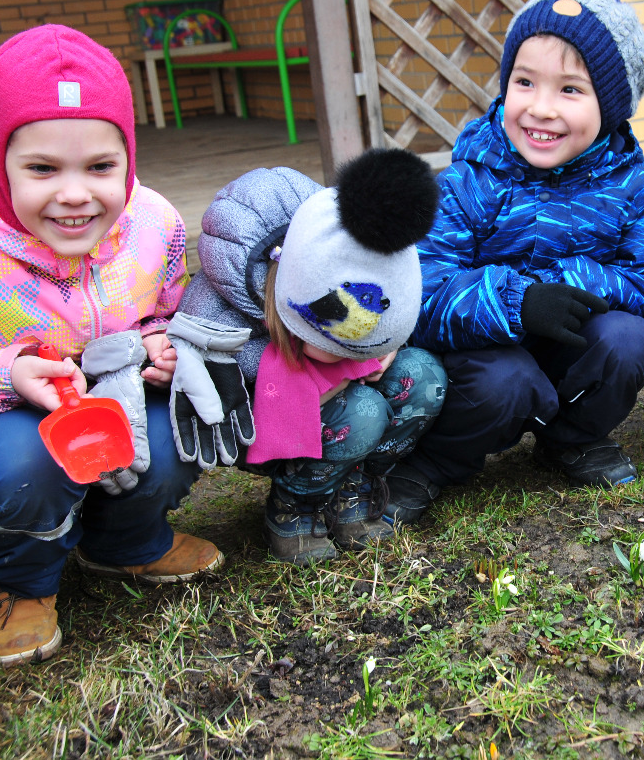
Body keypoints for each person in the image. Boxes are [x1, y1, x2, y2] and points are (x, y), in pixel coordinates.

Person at [0, 25, 221, 667]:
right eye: (42, 169)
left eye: (101, 167)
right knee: (27, 462)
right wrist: (6, 376)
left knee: (182, 423)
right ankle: (18, 580)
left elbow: (163, 315)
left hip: (111, 411)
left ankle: (125, 542)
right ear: (0, 163)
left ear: (129, 159)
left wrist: (156, 350)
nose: (76, 194)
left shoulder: (155, 225)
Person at [380, 0, 644, 505]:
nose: (541, 108)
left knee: (627, 342)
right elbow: (424, 291)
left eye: (570, 90)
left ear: (611, 107)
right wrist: (519, 301)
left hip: (575, 342)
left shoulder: (636, 184)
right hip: (489, 354)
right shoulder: (469, 180)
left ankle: (574, 440)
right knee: (504, 383)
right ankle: (435, 462)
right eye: (524, 82)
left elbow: (643, 280)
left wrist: (566, 283)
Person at [172, 149, 447, 564]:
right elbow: (211, 359)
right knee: (364, 412)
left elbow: (385, 307)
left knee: (422, 376)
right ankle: (295, 506)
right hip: (266, 418)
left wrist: (385, 348)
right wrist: (335, 372)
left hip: (330, 399)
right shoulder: (221, 295)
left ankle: (352, 486)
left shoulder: (351, 244)